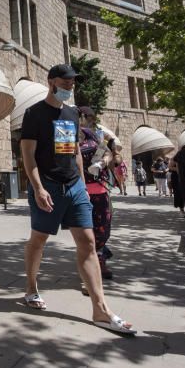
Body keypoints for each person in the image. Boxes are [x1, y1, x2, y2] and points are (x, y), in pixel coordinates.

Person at [19, 64, 136, 335]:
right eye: (66, 80)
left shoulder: (71, 114)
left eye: (73, 82)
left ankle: (101, 309)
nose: (71, 85)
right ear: (52, 82)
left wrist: (81, 186)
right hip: (47, 186)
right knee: (39, 239)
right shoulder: (34, 113)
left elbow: (72, 152)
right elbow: (29, 154)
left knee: (88, 242)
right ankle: (31, 288)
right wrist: (38, 188)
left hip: (74, 187)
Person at [78, 106, 115, 282]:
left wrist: (103, 162)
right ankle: (91, 268)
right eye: (89, 117)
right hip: (80, 190)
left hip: (100, 189)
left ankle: (99, 259)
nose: (92, 120)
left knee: (103, 230)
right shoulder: (68, 135)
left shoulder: (94, 135)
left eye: (92, 117)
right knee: (86, 233)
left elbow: (109, 153)